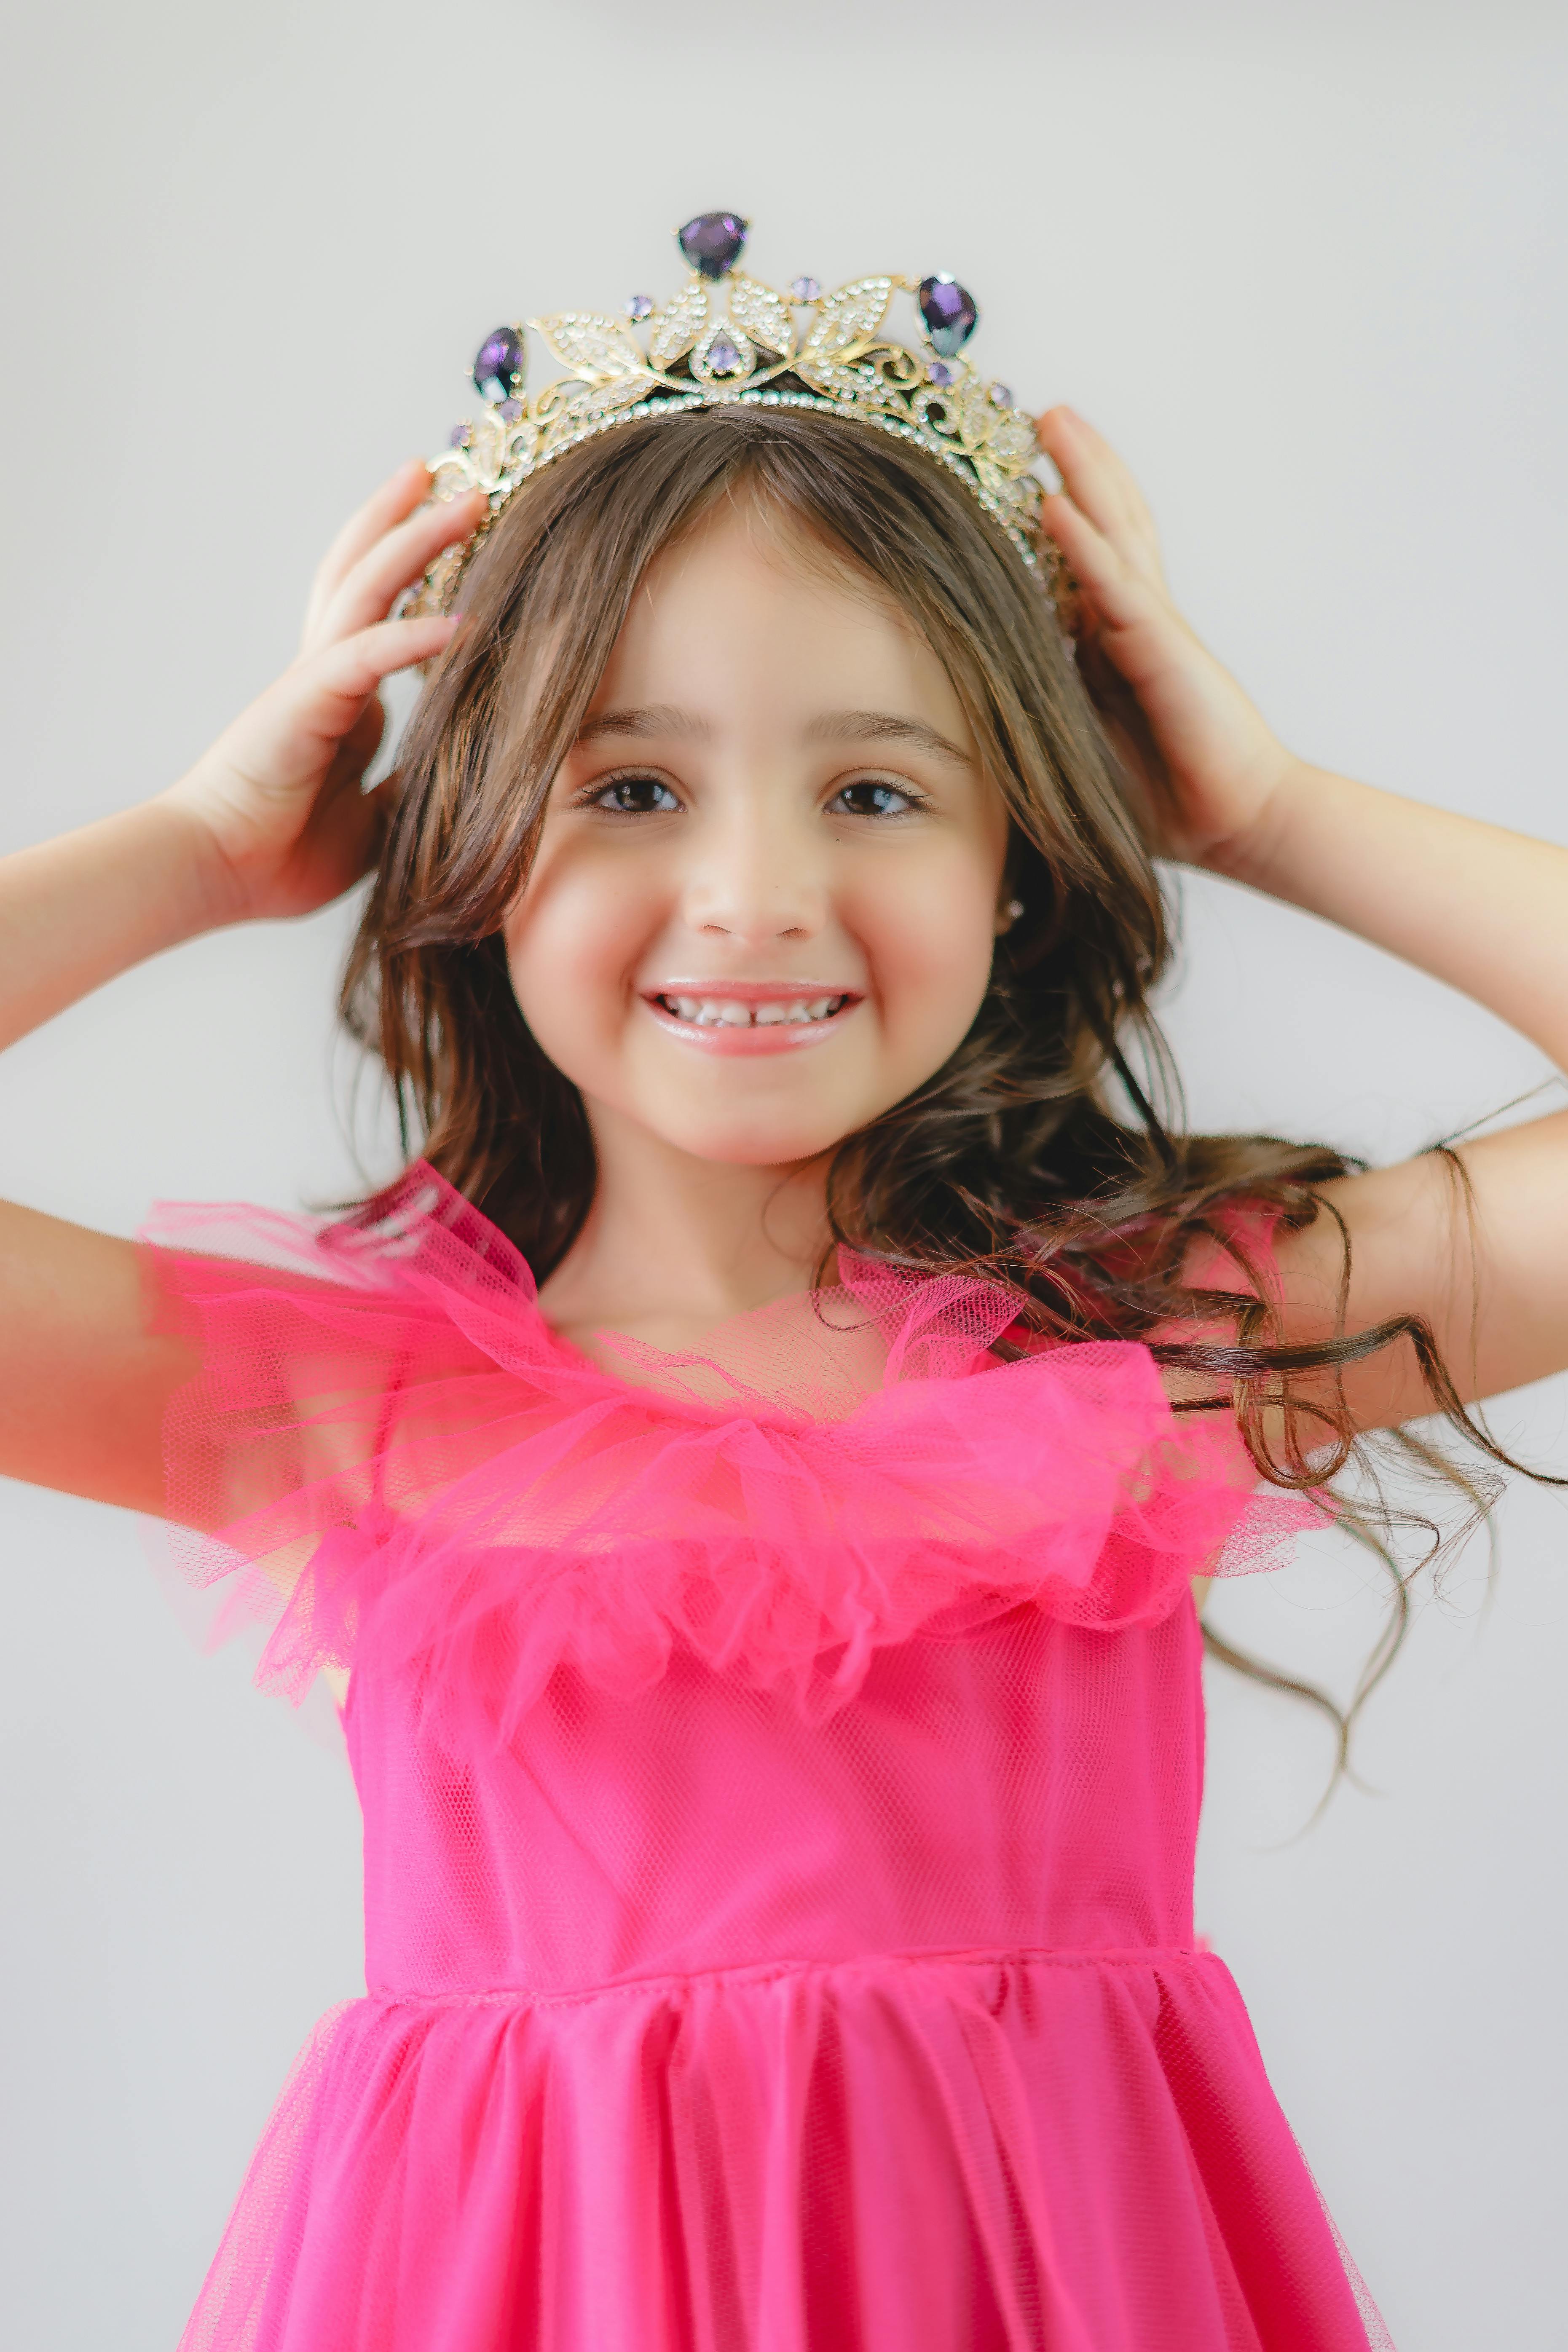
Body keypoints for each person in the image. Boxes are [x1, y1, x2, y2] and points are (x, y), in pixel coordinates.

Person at [2, 228, 1565, 2350]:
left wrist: (1268, 810)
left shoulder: (1150, 1347)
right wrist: (194, 845)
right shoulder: (332, 1401)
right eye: (629, 787)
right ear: (468, 848)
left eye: (874, 789)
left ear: (1016, 853)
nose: (752, 892)